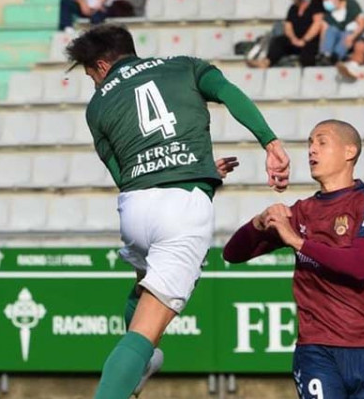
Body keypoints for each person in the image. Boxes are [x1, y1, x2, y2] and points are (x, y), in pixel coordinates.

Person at [66, 25, 290, 399]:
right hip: (182, 205)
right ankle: (133, 366)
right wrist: (270, 142)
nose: (94, 83)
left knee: (143, 286)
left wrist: (193, 173)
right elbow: (230, 94)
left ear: (102, 65)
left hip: (135, 209)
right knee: (143, 333)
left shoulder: (98, 105)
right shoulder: (185, 65)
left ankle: (141, 363)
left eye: (91, 75)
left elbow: (122, 175)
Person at [224, 120, 364, 399]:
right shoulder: (303, 212)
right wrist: (259, 221)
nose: (312, 150)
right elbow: (233, 253)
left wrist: (298, 242)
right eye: (309, 143)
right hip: (316, 349)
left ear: (349, 151)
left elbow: (360, 265)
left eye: (321, 142)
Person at [249, 0, 325, 68]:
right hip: (295, 40)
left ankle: (308, 74)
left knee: (308, 51)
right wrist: (293, 39)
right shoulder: (294, 7)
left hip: (311, 40)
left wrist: (304, 40)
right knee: (279, 41)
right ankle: (265, 63)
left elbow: (317, 24)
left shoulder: (317, 4)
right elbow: (288, 25)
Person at [319, 0, 364, 66]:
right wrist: (321, 49)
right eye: (323, 0)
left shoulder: (350, 4)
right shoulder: (327, 12)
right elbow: (324, 31)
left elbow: (362, 24)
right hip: (336, 36)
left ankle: (336, 57)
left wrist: (352, 37)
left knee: (346, 35)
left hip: (352, 34)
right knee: (331, 30)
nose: (325, 2)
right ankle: (326, 55)